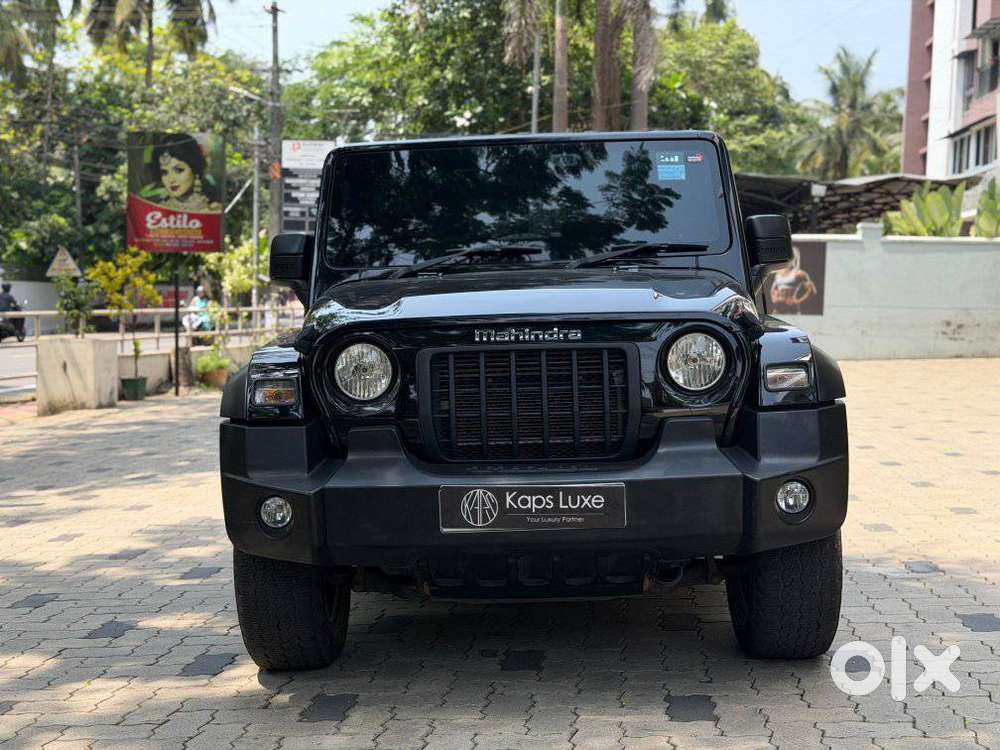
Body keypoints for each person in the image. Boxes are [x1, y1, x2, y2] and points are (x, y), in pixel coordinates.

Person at [141, 134, 222, 212]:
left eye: (178, 170)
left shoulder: (213, 209)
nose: (171, 179)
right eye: (164, 172)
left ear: (195, 169)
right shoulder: (156, 212)